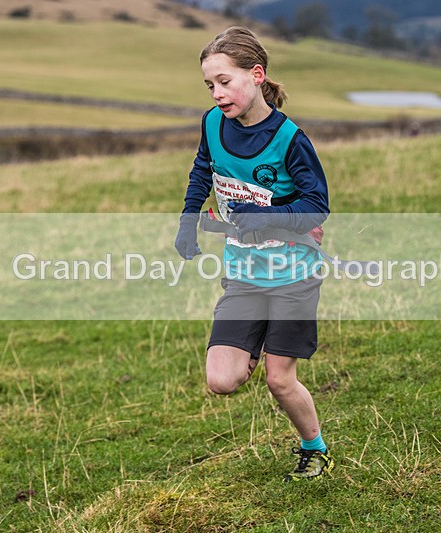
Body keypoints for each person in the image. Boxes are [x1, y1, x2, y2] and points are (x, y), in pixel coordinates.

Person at [174, 26, 333, 481]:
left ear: (257, 75)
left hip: (293, 273)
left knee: (280, 381)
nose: (217, 93)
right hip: (243, 272)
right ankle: (254, 338)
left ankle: (315, 449)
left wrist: (263, 217)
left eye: (225, 81)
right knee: (221, 380)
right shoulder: (211, 123)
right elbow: (202, 169)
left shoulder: (289, 139)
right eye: (209, 85)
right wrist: (188, 222)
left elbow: (316, 207)